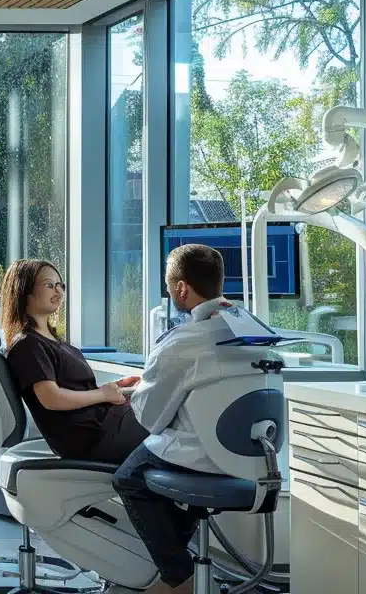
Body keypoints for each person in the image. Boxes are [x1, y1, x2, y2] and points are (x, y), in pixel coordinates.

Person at [113, 244, 247, 594]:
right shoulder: (252, 329)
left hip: (200, 454)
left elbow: (150, 417)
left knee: (128, 477)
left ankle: (178, 576)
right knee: (167, 485)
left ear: (181, 288)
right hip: (251, 459)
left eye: (170, 285)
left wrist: (141, 391)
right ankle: (182, 571)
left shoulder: (182, 341)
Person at [0, 259, 148, 464]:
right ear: (25, 290)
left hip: (104, 425)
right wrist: (103, 394)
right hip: (95, 438)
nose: (59, 292)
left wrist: (113, 389)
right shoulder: (28, 345)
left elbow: (75, 388)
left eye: (61, 286)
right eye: (49, 285)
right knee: (169, 413)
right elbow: (52, 399)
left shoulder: (50, 339)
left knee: (164, 403)